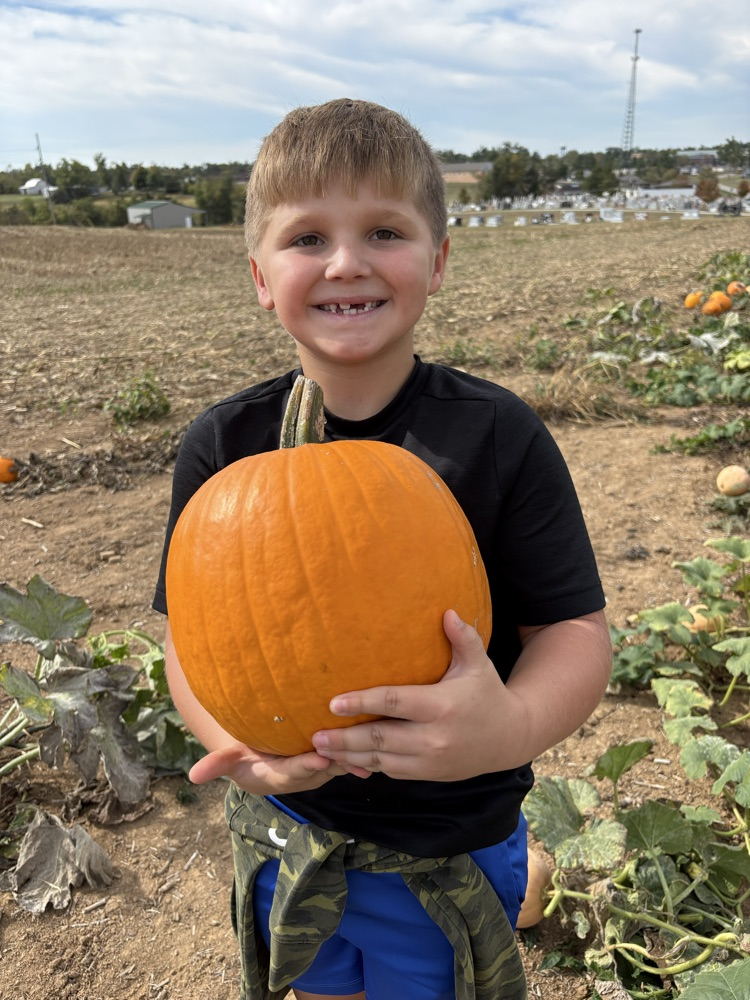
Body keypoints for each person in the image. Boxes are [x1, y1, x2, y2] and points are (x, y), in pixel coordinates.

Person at [152, 98, 612, 1000]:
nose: (346, 262)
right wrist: (235, 741)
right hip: (287, 831)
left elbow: (573, 630)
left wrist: (509, 730)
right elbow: (189, 640)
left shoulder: (499, 434)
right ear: (260, 275)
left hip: (450, 838)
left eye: (385, 232)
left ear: (436, 261)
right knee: (319, 987)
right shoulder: (220, 446)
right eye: (307, 238)